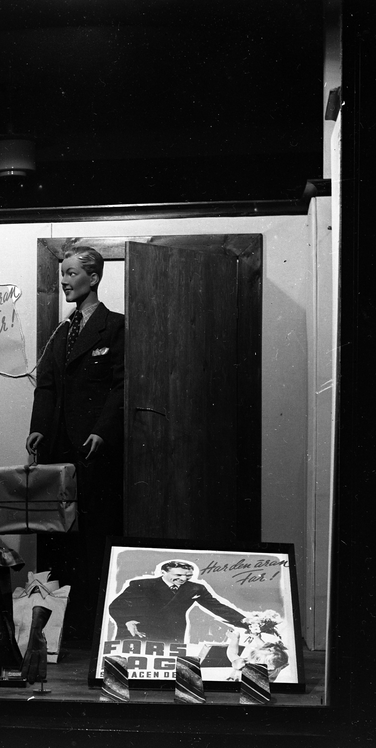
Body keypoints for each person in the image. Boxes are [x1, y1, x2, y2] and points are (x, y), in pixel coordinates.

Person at [26, 246, 125, 639]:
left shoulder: (115, 327)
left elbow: (121, 385)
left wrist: (103, 429)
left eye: (71, 273)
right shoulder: (61, 331)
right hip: (57, 449)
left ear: (93, 277)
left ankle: (93, 627)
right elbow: (46, 386)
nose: (64, 280)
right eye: (62, 273)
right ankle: (57, 630)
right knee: (56, 538)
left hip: (93, 450)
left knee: (94, 535)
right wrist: (38, 428)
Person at [108, 560, 249, 644]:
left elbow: (216, 606)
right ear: (163, 572)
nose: (183, 579)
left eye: (188, 576)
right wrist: (127, 621)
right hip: (138, 630)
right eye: (178, 575)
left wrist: (243, 620)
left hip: (172, 632)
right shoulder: (143, 585)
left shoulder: (195, 588)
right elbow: (116, 606)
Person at [225, 609, 290, 681]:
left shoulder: (244, 667)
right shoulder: (274, 663)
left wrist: (234, 640)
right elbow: (263, 648)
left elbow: (232, 654)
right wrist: (256, 637)